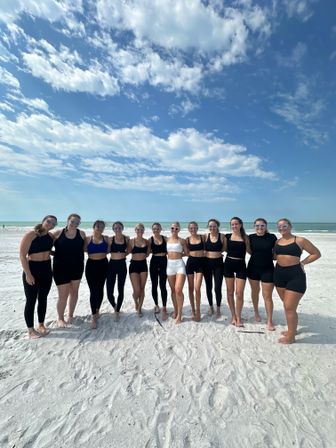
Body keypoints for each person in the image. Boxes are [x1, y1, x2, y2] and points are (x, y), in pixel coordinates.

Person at [274, 218, 321, 344]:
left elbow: (316, 253)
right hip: (278, 275)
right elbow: (275, 256)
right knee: (288, 306)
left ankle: (291, 337)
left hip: (295, 275)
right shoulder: (277, 241)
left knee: (289, 307)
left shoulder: (300, 240)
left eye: (284, 226)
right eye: (279, 226)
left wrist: (303, 263)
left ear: (290, 226)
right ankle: (292, 330)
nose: (282, 228)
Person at [19, 215, 57, 338]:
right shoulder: (31, 235)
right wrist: (28, 274)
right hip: (33, 269)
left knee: (43, 298)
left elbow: (48, 251)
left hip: (46, 269)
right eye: (48, 221)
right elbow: (22, 255)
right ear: (43, 221)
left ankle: (41, 325)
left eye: (53, 224)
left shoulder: (50, 236)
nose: (50, 224)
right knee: (31, 300)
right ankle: (30, 330)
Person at [53, 213, 86, 327]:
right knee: (63, 294)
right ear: (67, 221)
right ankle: (60, 318)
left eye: (77, 223)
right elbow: (46, 247)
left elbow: (85, 249)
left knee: (74, 292)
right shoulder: (57, 233)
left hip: (77, 267)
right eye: (72, 222)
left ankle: (70, 315)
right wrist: (56, 254)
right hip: (60, 268)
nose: (74, 224)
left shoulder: (81, 234)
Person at [247, 218, 277, 331]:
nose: (260, 228)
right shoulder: (251, 237)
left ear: (266, 226)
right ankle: (256, 313)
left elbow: (275, 252)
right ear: (254, 226)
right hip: (253, 268)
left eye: (262, 226)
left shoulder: (272, 237)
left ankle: (269, 320)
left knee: (267, 296)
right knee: (255, 292)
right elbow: (249, 251)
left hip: (268, 269)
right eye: (257, 226)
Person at [224, 217, 250, 327]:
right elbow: (224, 249)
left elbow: (250, 251)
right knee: (230, 292)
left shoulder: (245, 237)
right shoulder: (227, 236)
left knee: (239, 293)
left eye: (236, 224)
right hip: (228, 264)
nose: (234, 226)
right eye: (232, 224)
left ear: (240, 225)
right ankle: (233, 315)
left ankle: (238, 317)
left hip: (241, 266)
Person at [85, 220, 109, 329]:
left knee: (100, 289)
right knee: (93, 291)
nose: (100, 228)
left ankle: (98, 310)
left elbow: (117, 243)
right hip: (91, 266)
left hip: (103, 265)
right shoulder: (87, 239)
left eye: (102, 227)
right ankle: (93, 316)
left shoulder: (107, 239)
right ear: (94, 227)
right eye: (98, 226)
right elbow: (78, 249)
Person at [203, 219, 226, 317]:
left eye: (214, 226)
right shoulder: (205, 236)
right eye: (210, 226)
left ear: (217, 226)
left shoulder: (222, 236)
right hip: (207, 264)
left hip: (218, 265)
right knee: (209, 287)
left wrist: (218, 254)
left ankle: (218, 308)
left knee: (217, 288)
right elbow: (201, 247)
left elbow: (224, 248)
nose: (212, 228)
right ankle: (211, 307)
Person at [106, 221, 129, 320]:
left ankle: (117, 310)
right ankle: (114, 306)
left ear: (122, 228)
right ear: (113, 229)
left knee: (121, 289)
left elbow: (128, 251)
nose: (117, 229)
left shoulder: (126, 239)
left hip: (122, 265)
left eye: (119, 228)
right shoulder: (110, 239)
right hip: (111, 265)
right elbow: (107, 251)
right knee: (109, 291)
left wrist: (122, 255)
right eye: (115, 228)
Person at [166, 222, 188, 324]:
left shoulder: (182, 241)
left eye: (176, 228)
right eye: (172, 228)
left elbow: (187, 253)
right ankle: (175, 310)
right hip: (169, 266)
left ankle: (179, 314)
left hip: (179, 265)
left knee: (178, 290)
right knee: (173, 290)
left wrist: (178, 255)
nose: (174, 230)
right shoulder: (166, 240)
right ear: (170, 229)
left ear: (179, 229)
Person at [148, 223, 168, 320]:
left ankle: (164, 307)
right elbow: (147, 252)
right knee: (154, 284)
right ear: (152, 230)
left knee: (163, 285)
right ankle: (156, 305)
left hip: (164, 262)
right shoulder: (150, 240)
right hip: (154, 263)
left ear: (161, 229)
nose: (156, 230)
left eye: (157, 228)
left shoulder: (166, 239)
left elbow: (172, 248)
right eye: (154, 229)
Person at [128, 223, 149, 317]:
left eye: (141, 229)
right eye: (138, 229)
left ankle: (139, 308)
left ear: (144, 231)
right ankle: (135, 301)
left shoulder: (147, 242)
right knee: (136, 290)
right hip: (134, 265)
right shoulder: (131, 241)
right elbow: (127, 252)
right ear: (135, 230)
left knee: (142, 288)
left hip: (143, 265)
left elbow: (148, 254)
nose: (139, 231)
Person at [186, 221, 205, 322]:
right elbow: (185, 252)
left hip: (200, 264)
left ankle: (198, 311)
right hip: (190, 264)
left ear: (197, 228)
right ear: (189, 229)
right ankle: (193, 310)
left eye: (194, 228)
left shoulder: (203, 238)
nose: (193, 230)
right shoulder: (187, 240)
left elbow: (210, 246)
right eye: (191, 228)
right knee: (190, 288)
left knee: (197, 288)